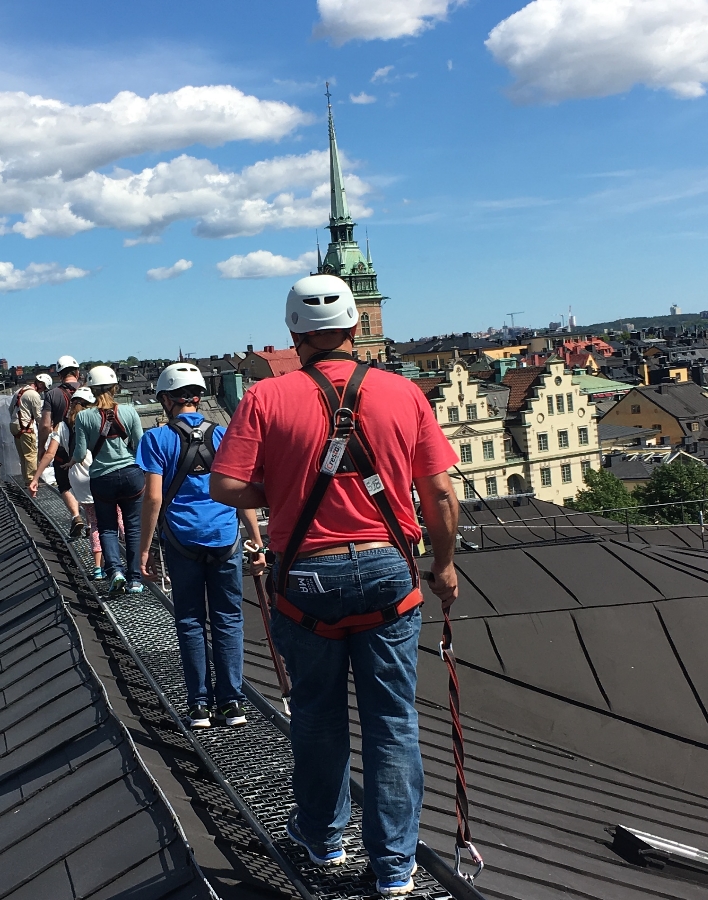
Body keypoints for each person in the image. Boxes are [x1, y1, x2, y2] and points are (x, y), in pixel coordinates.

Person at [210, 273, 459, 896]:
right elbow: (441, 495)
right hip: (386, 571)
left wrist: (288, 493)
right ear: (354, 328)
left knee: (318, 717)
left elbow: (224, 486)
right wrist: (445, 565)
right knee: (393, 722)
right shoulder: (404, 394)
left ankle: (322, 840)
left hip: (308, 579)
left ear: (295, 334)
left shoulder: (266, 398)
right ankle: (395, 870)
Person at [137, 363, 265, 730]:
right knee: (228, 620)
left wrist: (143, 550)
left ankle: (198, 706)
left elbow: (154, 499)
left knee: (191, 621)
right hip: (225, 539)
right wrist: (255, 539)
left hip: (182, 541)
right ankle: (232, 703)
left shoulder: (156, 439)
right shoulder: (224, 435)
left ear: (165, 400)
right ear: (198, 397)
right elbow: (241, 492)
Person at [72, 365, 147, 594]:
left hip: (102, 477)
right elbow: (139, 444)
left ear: (92, 390)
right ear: (115, 387)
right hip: (131, 475)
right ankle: (135, 579)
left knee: (107, 527)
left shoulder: (83, 417)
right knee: (133, 528)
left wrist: (69, 463)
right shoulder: (129, 411)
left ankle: (115, 571)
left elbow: (80, 452)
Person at [30, 388, 105, 574]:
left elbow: (50, 454)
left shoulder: (61, 426)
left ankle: (98, 568)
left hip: (77, 477)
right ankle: (132, 559)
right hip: (99, 473)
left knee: (94, 522)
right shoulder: (95, 421)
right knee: (119, 518)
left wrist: (36, 477)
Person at [40, 356, 86, 536]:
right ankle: (92, 522)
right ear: (77, 373)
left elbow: (44, 425)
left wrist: (42, 447)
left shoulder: (53, 395)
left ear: (59, 375)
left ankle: (76, 515)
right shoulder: (87, 391)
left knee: (65, 485)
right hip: (86, 446)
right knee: (87, 484)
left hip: (61, 448)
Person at [12, 372, 46, 483]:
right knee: (31, 455)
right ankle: (32, 481)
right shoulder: (34, 395)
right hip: (26, 427)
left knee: (23, 456)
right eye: (43, 388)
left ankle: (26, 479)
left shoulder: (18, 392)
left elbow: (10, 409)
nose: (42, 391)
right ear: (40, 384)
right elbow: (38, 417)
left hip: (14, 425)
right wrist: (46, 428)